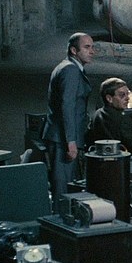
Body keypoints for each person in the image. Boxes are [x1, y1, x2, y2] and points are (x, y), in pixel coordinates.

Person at [42, 32, 95, 211]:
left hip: (62, 137)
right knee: (63, 189)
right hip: (62, 139)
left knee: (66, 186)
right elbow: (67, 107)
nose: (92, 51)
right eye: (87, 47)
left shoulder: (70, 67)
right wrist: (70, 142)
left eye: (92, 47)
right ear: (74, 50)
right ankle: (59, 221)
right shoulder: (70, 70)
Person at [88, 77, 132, 159]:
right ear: (109, 98)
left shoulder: (96, 114)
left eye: (127, 94)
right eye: (122, 95)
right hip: (125, 164)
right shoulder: (122, 119)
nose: (127, 98)